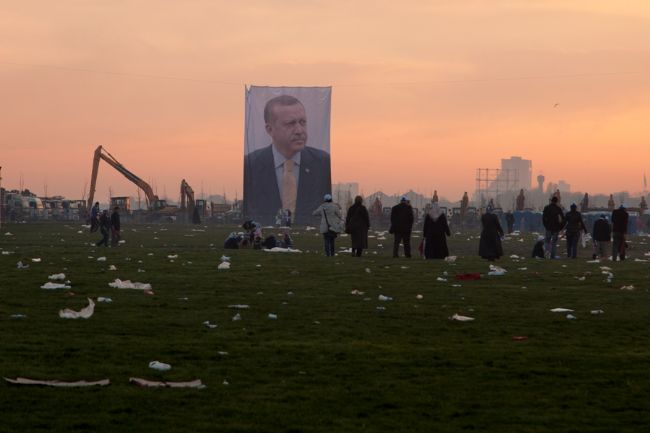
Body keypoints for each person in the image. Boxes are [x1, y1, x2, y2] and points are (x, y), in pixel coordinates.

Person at [243, 95, 331, 225]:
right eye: (290, 123)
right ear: (269, 129)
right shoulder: (251, 165)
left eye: (303, 122)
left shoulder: (323, 163)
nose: (299, 131)